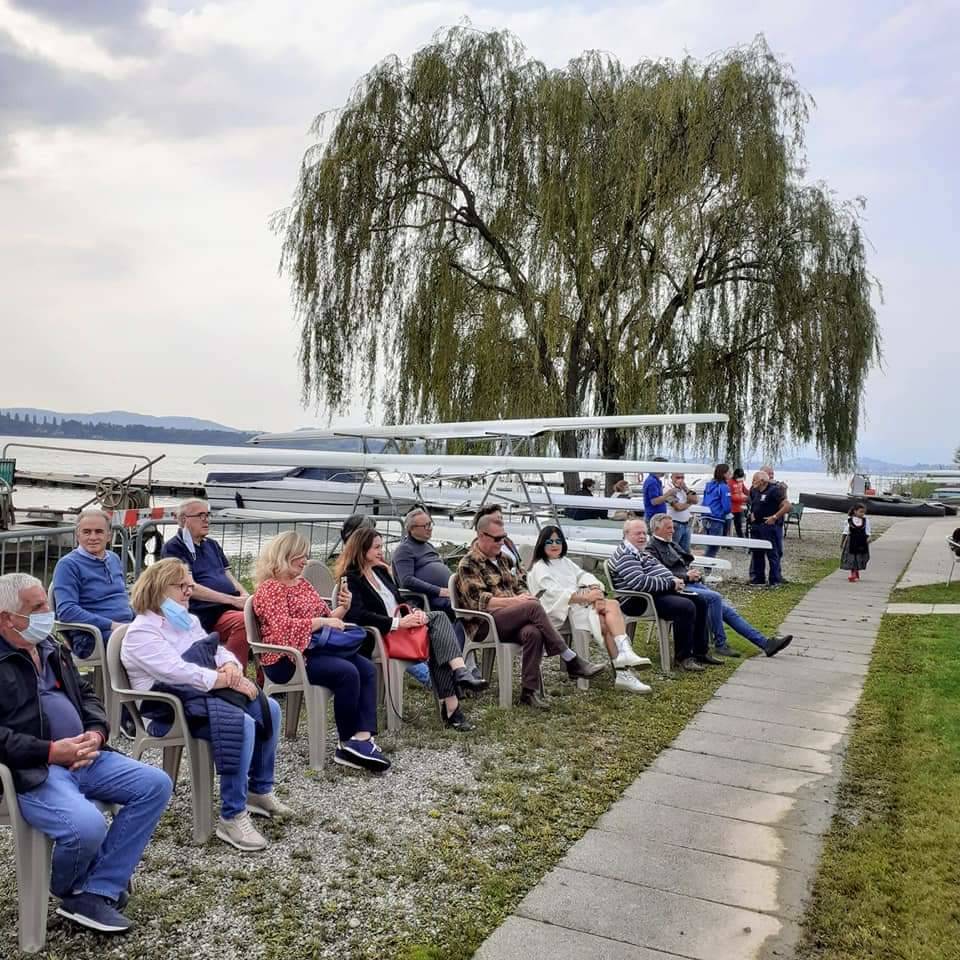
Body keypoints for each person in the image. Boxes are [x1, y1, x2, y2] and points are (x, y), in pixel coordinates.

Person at [0, 572, 172, 934]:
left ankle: (95, 890)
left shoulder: (51, 646)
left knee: (154, 783)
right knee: (86, 825)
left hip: (85, 754)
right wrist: (49, 751)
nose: (49, 611)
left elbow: (88, 695)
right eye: (38, 607)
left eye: (46, 603)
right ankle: (73, 889)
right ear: (7, 618)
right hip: (34, 769)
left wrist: (96, 731)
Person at [122, 559, 289, 853]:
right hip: (168, 709)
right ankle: (232, 814)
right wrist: (227, 681)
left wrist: (230, 666)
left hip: (200, 696)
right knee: (243, 722)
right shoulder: (141, 633)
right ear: (159, 588)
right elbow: (176, 672)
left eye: (190, 585)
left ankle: (258, 789)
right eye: (182, 586)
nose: (189, 591)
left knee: (270, 709)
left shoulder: (184, 619)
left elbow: (215, 648)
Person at [252, 531, 389, 772]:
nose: (305, 561)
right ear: (284, 555)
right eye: (300, 556)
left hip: (313, 649)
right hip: (286, 658)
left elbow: (328, 618)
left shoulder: (303, 584)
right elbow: (283, 629)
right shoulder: (270, 589)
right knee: (347, 671)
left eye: (305, 556)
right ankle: (346, 742)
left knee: (365, 667)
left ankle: (362, 738)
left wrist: (343, 609)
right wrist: (322, 623)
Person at [336, 527, 487, 731]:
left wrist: (415, 613)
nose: (381, 551)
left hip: (403, 628)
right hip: (379, 635)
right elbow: (358, 615)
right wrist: (397, 623)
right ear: (361, 550)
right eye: (376, 547)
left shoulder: (380, 571)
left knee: (438, 627)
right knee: (439, 630)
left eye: (382, 546)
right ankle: (455, 695)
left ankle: (456, 688)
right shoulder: (351, 577)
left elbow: (399, 601)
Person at [455, 513, 605, 708]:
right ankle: (571, 659)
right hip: (485, 623)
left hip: (511, 618)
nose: (503, 542)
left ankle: (529, 692)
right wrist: (519, 602)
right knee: (533, 606)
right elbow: (480, 601)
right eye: (497, 538)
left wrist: (524, 596)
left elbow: (520, 584)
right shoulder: (468, 564)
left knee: (533, 632)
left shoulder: (503, 560)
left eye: (505, 537)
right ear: (481, 535)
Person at [526, 525, 652, 695]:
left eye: (558, 541)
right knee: (608, 615)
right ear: (542, 544)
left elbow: (583, 576)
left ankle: (624, 662)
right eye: (549, 541)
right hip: (560, 613)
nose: (554, 544)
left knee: (610, 608)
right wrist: (586, 597)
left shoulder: (565, 561)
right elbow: (551, 594)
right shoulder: (540, 567)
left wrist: (595, 590)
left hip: (579, 605)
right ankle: (623, 664)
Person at [645, 514, 793, 658]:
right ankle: (720, 644)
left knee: (727, 610)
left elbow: (682, 562)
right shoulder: (652, 548)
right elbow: (660, 573)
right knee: (715, 598)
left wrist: (692, 573)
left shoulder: (669, 542)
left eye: (672, 527)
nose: (672, 530)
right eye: (668, 528)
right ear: (656, 529)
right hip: (676, 588)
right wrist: (686, 576)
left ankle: (765, 643)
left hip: (688, 583)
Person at [608, 519, 719, 672]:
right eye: (637, 533)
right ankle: (683, 658)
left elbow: (658, 569)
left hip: (653, 594)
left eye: (644, 533)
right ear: (626, 535)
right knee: (685, 606)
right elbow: (640, 583)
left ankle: (700, 652)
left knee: (700, 600)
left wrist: (674, 579)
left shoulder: (639, 551)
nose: (642, 537)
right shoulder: (625, 555)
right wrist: (670, 584)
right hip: (637, 600)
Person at [161, 498, 251, 668]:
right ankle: (231, 672)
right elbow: (189, 586)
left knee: (265, 612)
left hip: (227, 606)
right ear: (183, 520)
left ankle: (269, 676)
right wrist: (232, 600)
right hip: (206, 611)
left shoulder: (212, 545)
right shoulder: (174, 547)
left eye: (207, 515)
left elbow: (227, 575)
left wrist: (244, 595)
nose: (206, 519)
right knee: (244, 621)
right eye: (200, 515)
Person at [52, 508, 134, 658]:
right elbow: (66, 611)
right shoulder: (68, 565)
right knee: (146, 644)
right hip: (91, 636)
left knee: (170, 633)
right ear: (78, 535)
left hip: (125, 628)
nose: (93, 537)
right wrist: (113, 625)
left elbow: (120, 598)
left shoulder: (114, 559)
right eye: (87, 532)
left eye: (99, 531)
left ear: (109, 535)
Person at [749, 471, 791, 585]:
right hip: (756, 526)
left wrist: (775, 517)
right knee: (757, 553)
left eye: (755, 480)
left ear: (762, 481)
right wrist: (751, 514)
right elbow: (753, 503)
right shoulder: (753, 490)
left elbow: (787, 505)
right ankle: (758, 579)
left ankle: (775, 580)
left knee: (773, 553)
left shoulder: (774, 490)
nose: (753, 482)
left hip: (768, 526)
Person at [472, 504, 524, 571]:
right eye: (497, 519)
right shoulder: (475, 557)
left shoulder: (507, 542)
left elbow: (519, 564)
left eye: (501, 518)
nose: (500, 522)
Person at [700, 464, 733, 559]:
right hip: (717, 517)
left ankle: (707, 562)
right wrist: (726, 512)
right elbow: (727, 506)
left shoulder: (709, 485)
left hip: (706, 516)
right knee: (714, 545)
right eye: (729, 472)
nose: (730, 474)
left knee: (709, 543)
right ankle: (708, 565)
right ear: (724, 474)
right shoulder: (724, 487)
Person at [663, 472, 699, 554]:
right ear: (672, 477)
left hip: (686, 523)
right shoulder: (668, 489)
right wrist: (689, 503)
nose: (680, 480)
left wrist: (686, 489)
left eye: (682, 477)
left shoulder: (684, 489)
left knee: (685, 552)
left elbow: (695, 500)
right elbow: (678, 507)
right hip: (675, 523)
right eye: (677, 477)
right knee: (673, 550)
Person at [841, 503, 871, 582]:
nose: (862, 514)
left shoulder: (865, 521)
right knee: (852, 558)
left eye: (863, 512)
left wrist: (868, 538)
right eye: (860, 512)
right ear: (855, 511)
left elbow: (868, 532)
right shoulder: (849, 520)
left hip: (861, 541)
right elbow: (845, 532)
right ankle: (853, 574)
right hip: (851, 541)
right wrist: (842, 543)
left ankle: (856, 571)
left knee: (859, 557)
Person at [729, 468, 749, 538]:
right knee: (728, 526)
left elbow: (745, 490)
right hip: (731, 508)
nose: (740, 479)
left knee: (739, 525)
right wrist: (743, 499)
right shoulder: (730, 483)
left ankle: (742, 539)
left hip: (739, 508)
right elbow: (730, 496)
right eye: (739, 477)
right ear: (735, 475)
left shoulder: (740, 482)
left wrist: (751, 494)